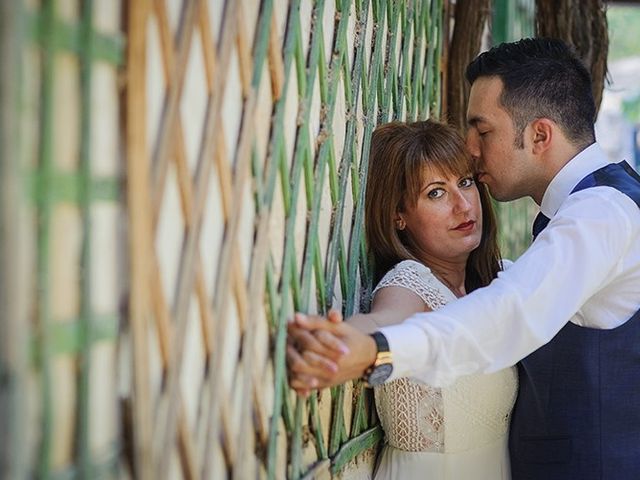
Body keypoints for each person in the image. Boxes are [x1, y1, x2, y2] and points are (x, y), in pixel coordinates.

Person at [287, 37, 640, 480]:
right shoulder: (599, 208)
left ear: (540, 135)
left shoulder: (599, 214)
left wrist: (376, 351)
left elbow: (513, 310)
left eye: (483, 130)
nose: (471, 149)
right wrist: (350, 338)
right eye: (436, 193)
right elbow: (392, 313)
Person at [288, 119, 517, 478]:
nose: (462, 205)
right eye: (436, 193)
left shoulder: (496, 280)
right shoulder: (410, 282)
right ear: (399, 217)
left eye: (465, 183)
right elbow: (385, 319)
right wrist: (338, 343)